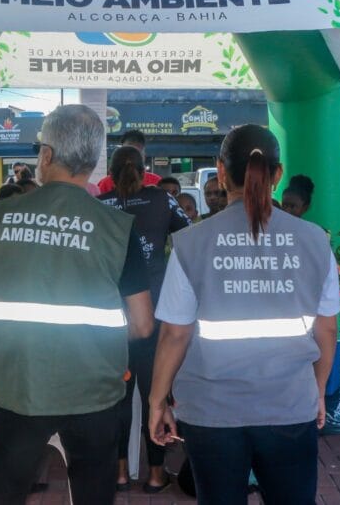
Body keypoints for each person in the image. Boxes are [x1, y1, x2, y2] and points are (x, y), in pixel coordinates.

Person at [148, 124, 340, 504]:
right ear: (277, 174)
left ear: (221, 172)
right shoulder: (316, 241)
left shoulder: (191, 242)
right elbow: (327, 330)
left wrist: (157, 401)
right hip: (289, 408)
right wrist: (317, 391)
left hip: (210, 413)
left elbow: (175, 334)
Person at [0, 105, 155, 505]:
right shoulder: (116, 227)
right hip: (95, 392)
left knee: (5, 496)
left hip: (18, 388)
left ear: (47, 155)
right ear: (91, 161)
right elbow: (143, 324)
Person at [98, 146, 191, 493]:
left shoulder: (99, 206)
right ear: (144, 170)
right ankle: (155, 474)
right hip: (156, 312)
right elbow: (189, 239)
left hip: (113, 317)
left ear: (110, 174)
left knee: (118, 399)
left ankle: (120, 473)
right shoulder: (162, 200)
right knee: (157, 393)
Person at [97, 130, 162, 193]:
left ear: (144, 156)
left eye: (135, 155)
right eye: (125, 153)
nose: (130, 159)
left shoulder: (157, 182)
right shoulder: (104, 184)